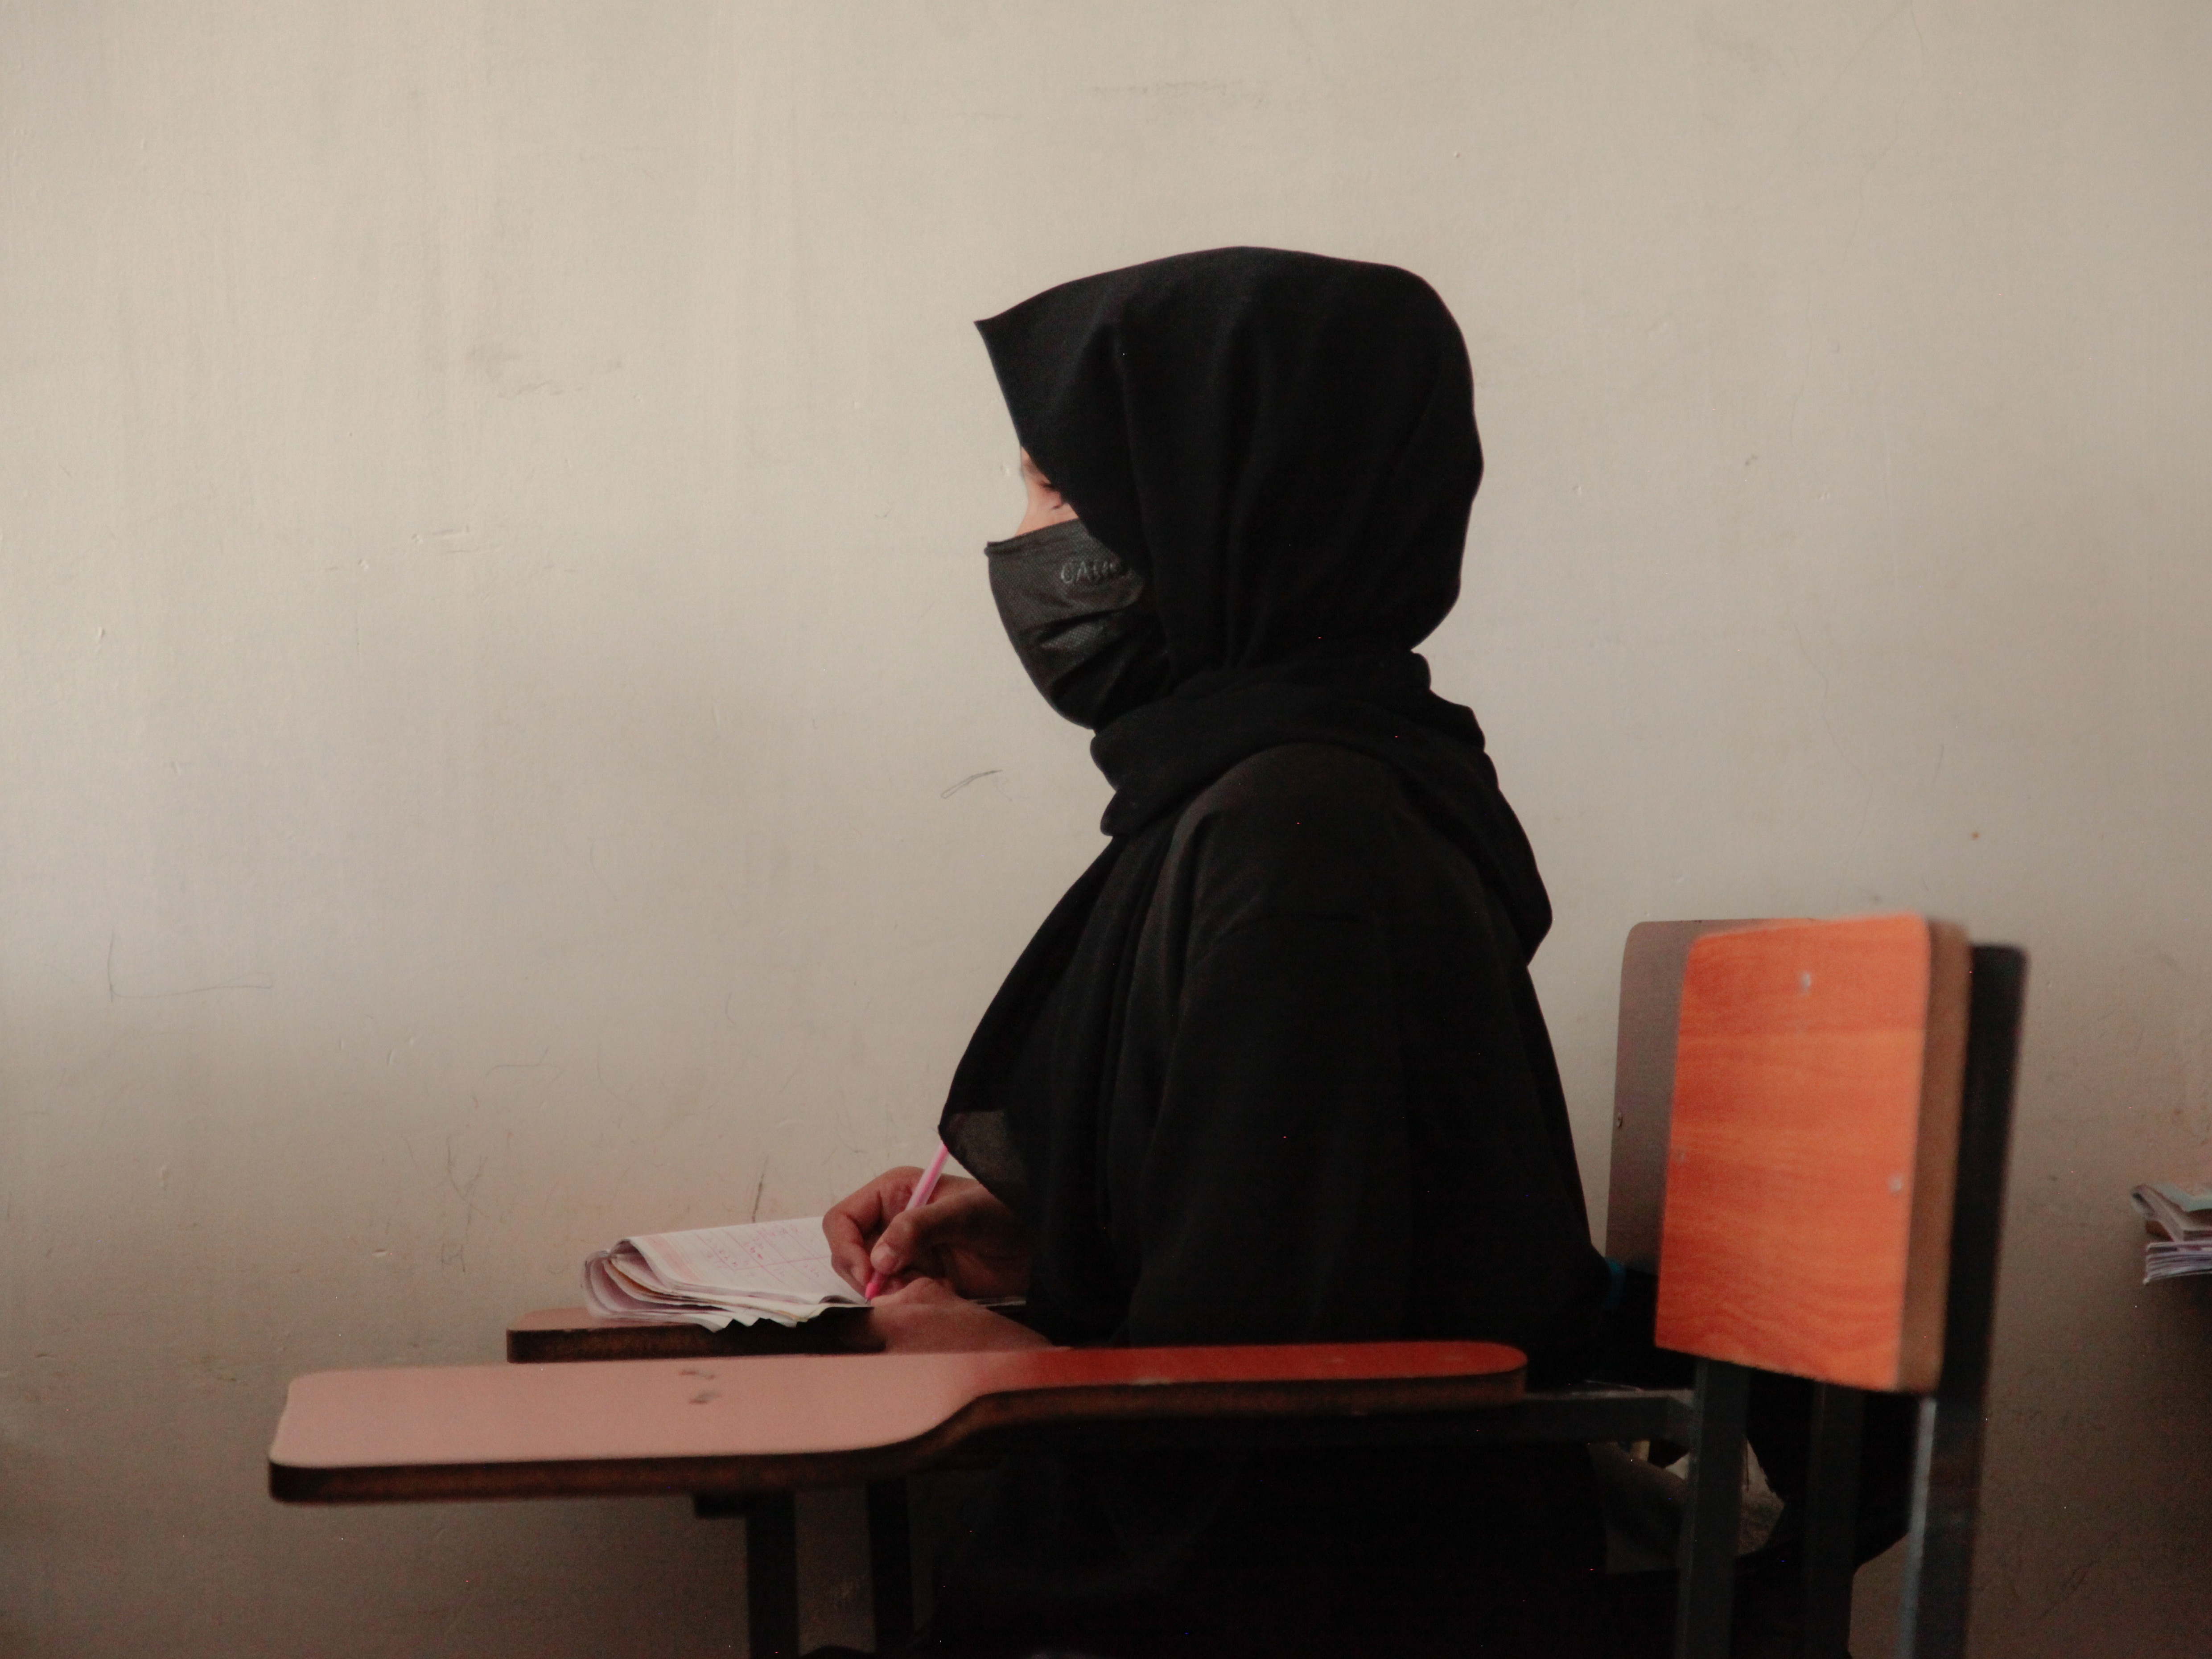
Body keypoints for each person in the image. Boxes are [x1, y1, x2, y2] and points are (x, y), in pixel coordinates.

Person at [821, 247, 1616, 1658]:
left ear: (1224, 501)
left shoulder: (1297, 833)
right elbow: (1317, 1244)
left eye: (1058, 490)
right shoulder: (1262, 795)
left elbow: (1269, 1401)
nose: (1018, 539)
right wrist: (1046, 1237)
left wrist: (1014, 1370)